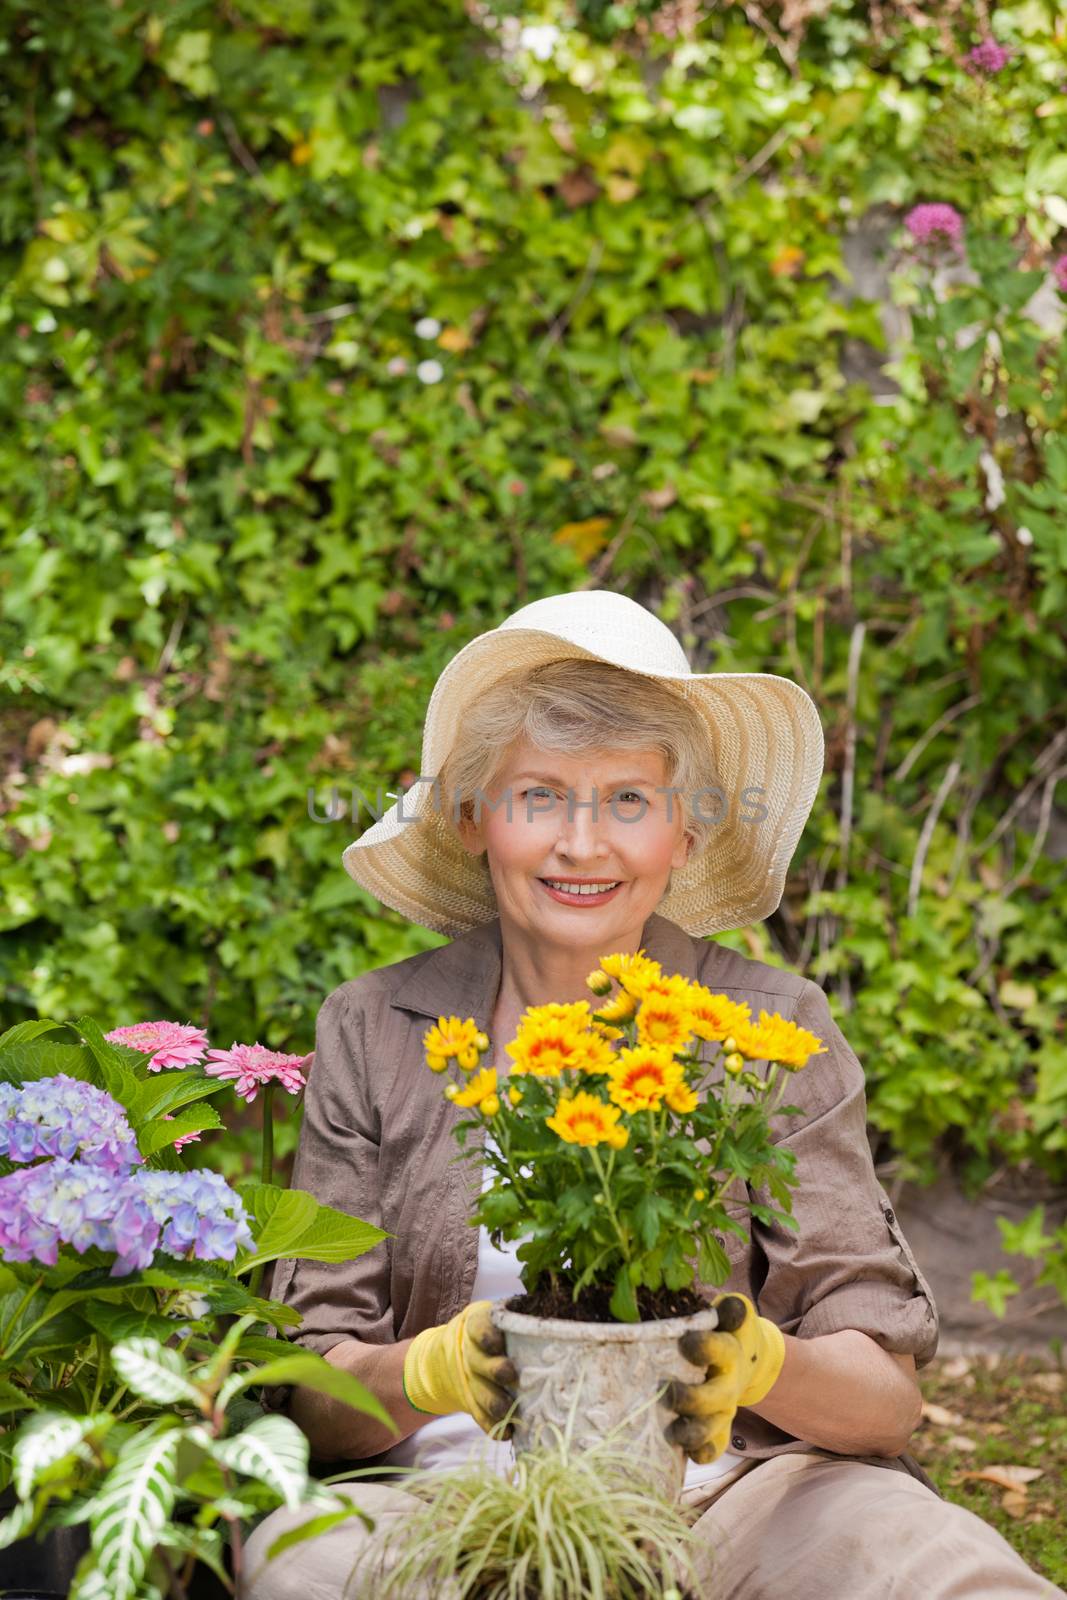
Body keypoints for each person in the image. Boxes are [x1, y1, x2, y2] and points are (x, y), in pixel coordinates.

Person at [245, 590, 1063, 1600]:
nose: (581, 845)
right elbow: (312, 1391)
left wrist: (761, 1364)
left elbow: (882, 1402)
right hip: (449, 1504)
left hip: (732, 1495)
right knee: (296, 1559)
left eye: (628, 800)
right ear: (470, 821)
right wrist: (428, 1371)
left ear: (683, 834)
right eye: (536, 795)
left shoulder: (772, 1025)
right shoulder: (373, 1029)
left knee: (934, 1566)